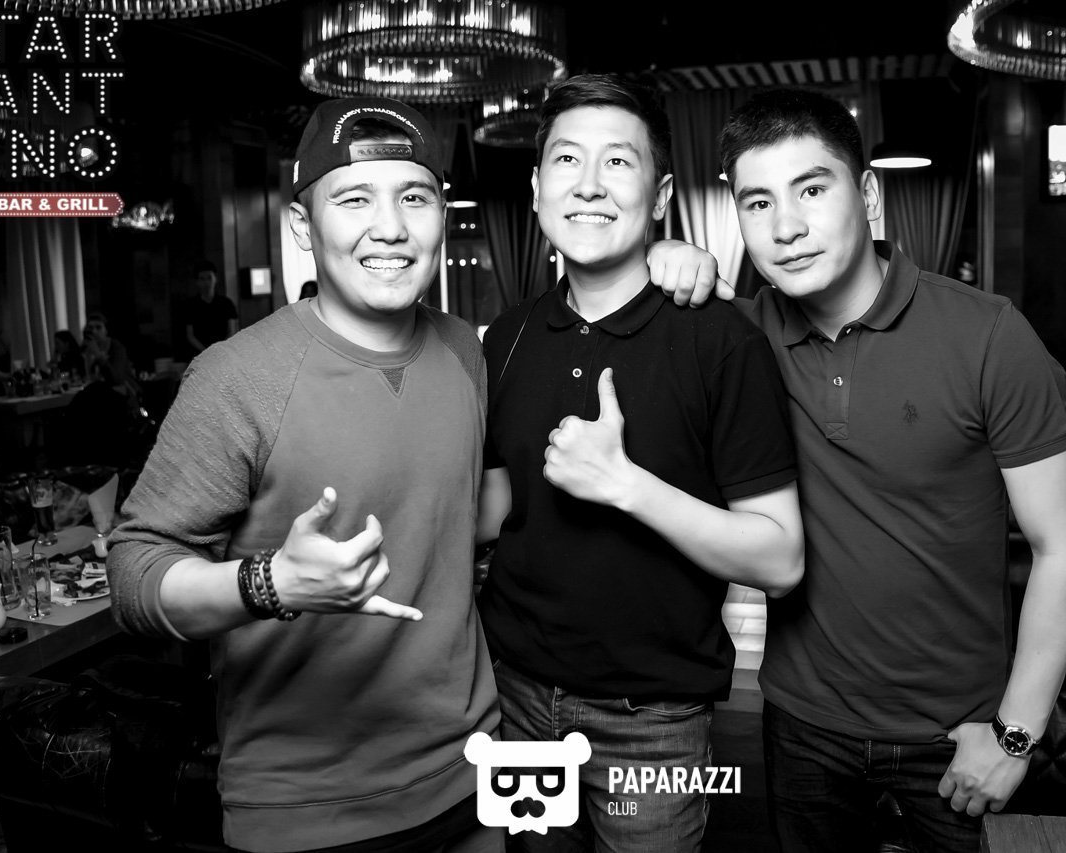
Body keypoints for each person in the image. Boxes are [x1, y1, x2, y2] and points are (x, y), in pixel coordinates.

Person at [653, 88, 1066, 852]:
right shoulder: (741, 339)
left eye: (811, 190)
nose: (785, 227)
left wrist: (1015, 733)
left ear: (866, 194)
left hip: (957, 735)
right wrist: (660, 258)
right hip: (801, 725)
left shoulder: (989, 335)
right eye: (758, 203)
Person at [107, 96, 501, 853]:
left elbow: (456, 512)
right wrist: (271, 584)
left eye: (414, 197)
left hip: (470, 772)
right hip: (307, 806)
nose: (390, 227)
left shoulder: (464, 350)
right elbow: (132, 574)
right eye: (354, 199)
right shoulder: (237, 377)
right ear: (301, 225)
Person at [477, 73, 804, 852]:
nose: (589, 184)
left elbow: (781, 558)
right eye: (566, 160)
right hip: (514, 697)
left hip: (651, 721)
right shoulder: (504, 338)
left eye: (617, 162)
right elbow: (493, 508)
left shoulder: (721, 339)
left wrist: (625, 485)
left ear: (659, 197)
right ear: (536, 188)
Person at [182, 260, 239, 358]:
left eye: (209, 278)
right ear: (197, 282)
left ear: (215, 279)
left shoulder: (226, 303)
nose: (206, 283)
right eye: (202, 279)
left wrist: (220, 349)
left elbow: (232, 330)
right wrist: (206, 352)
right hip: (199, 355)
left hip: (223, 354)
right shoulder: (191, 305)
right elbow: (190, 335)